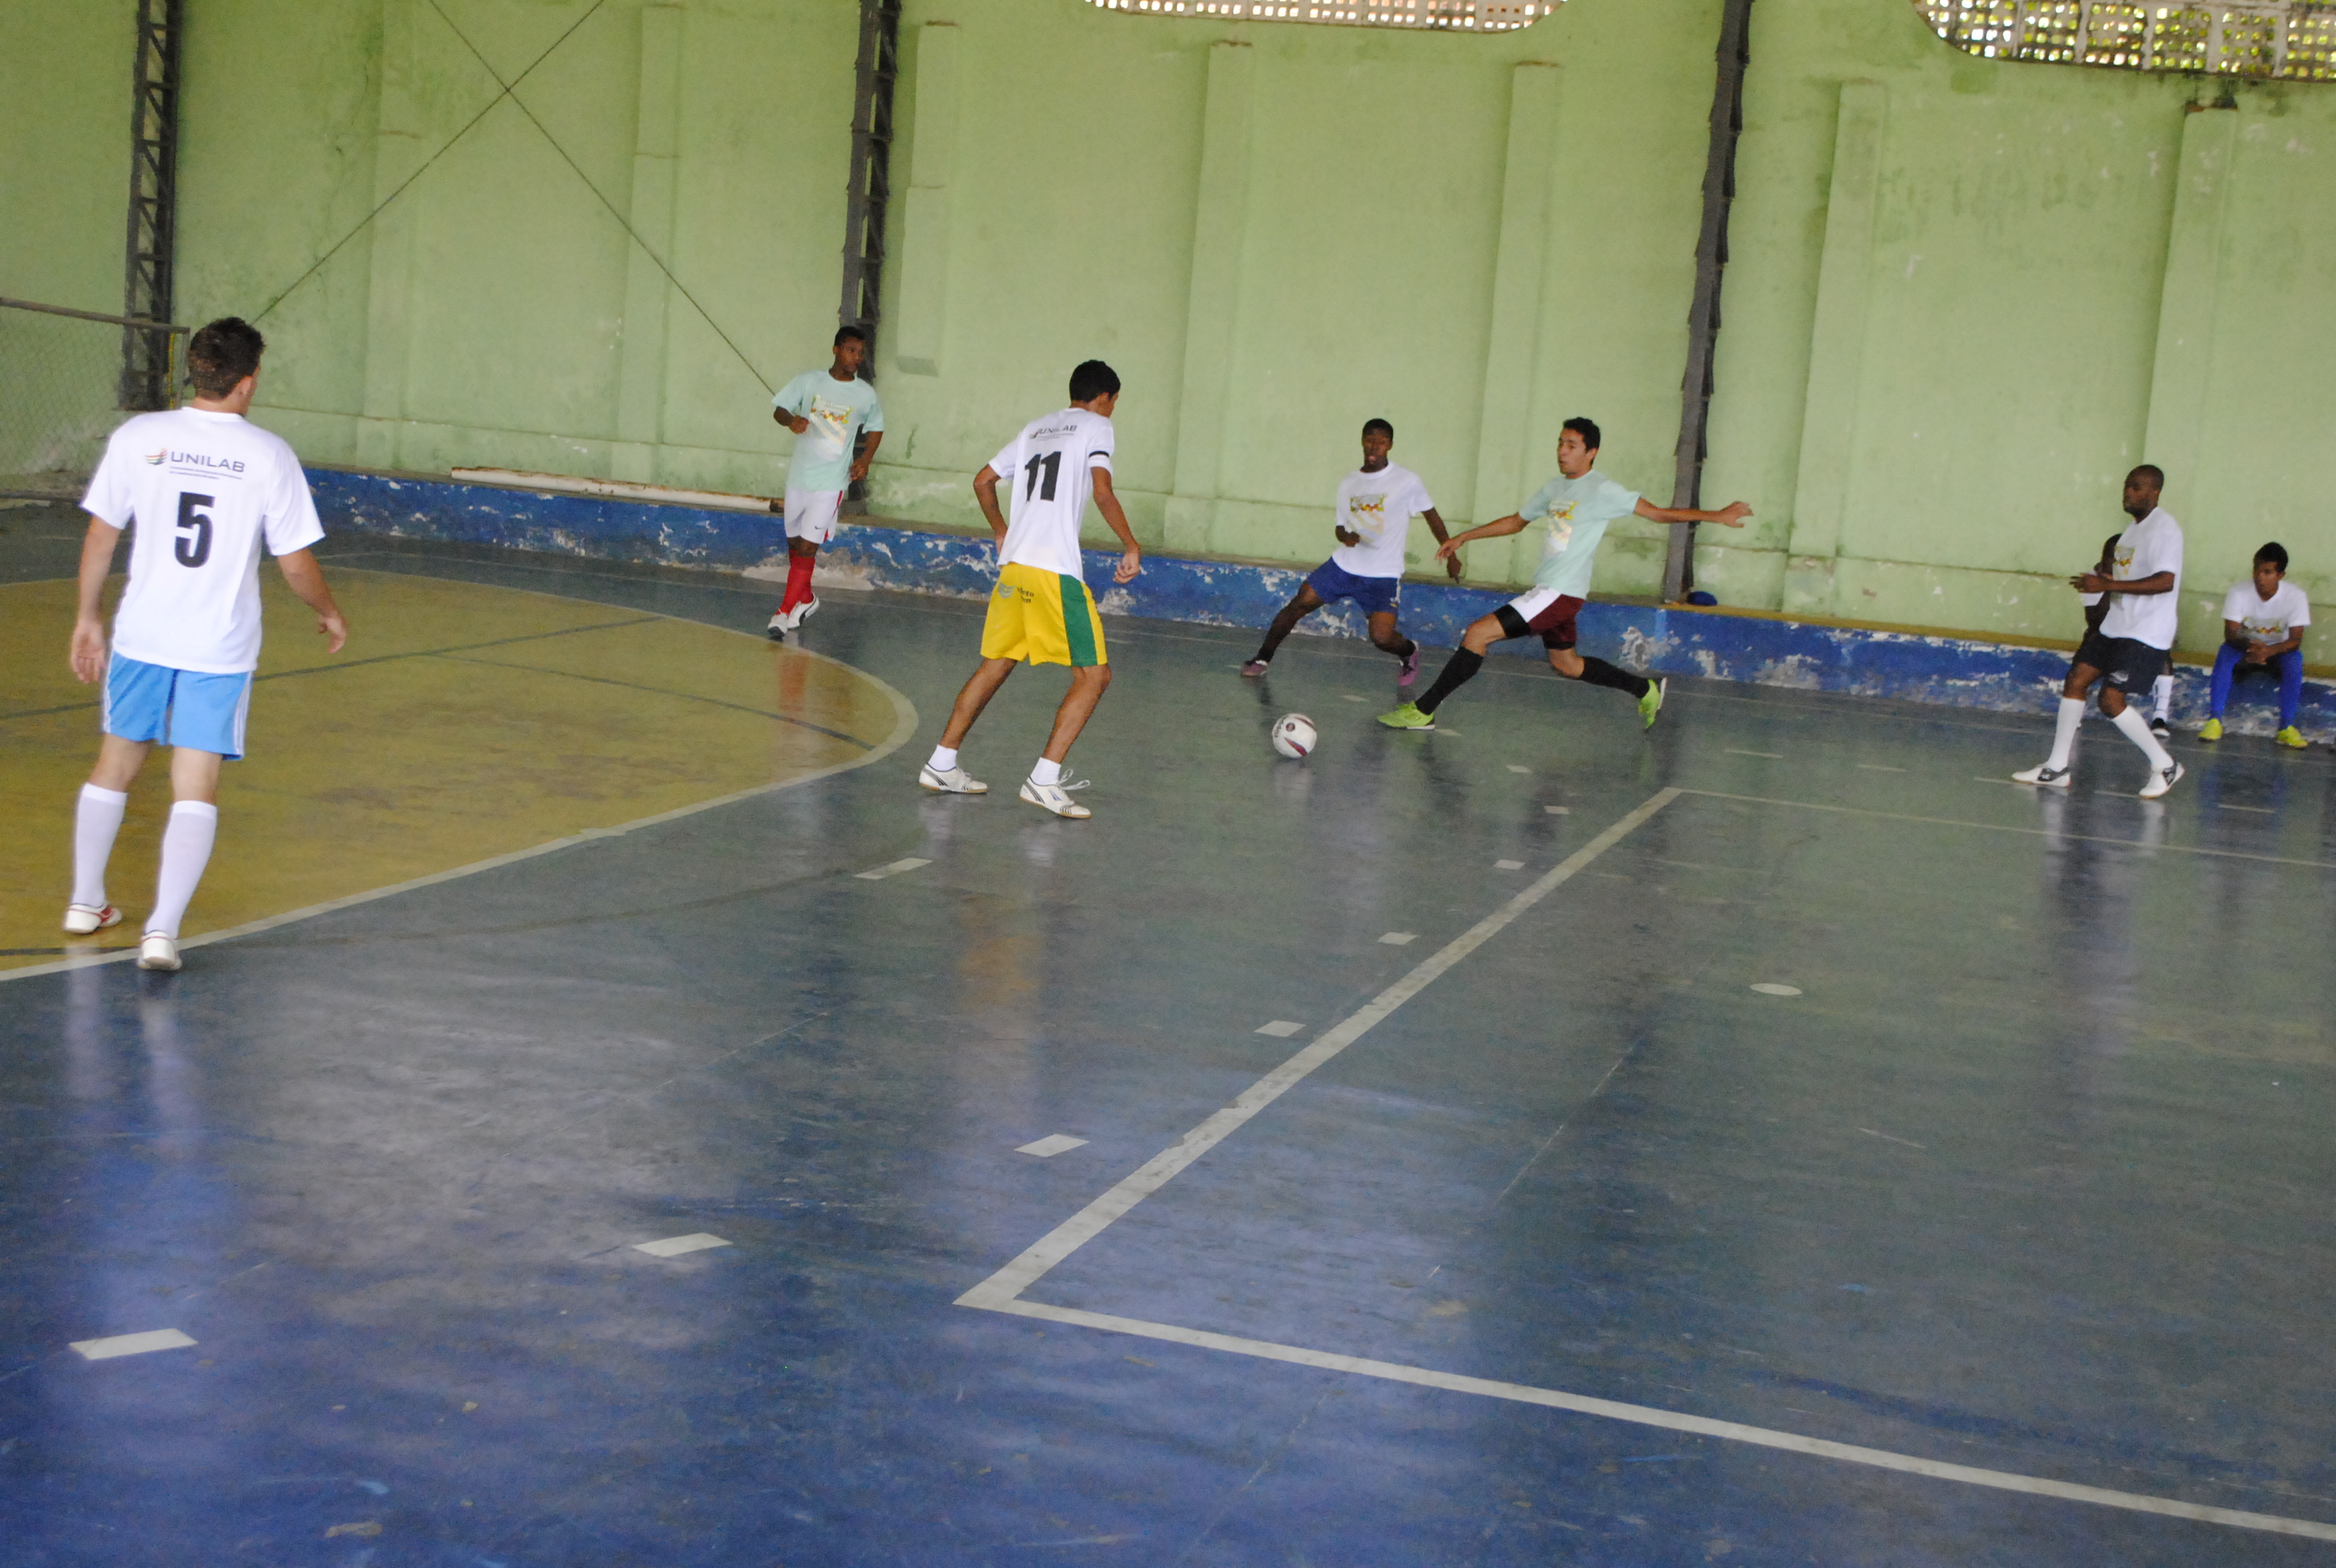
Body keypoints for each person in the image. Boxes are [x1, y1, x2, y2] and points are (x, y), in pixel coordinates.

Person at [64, 316, 348, 971]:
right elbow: (295, 563)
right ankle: (161, 932)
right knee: (195, 784)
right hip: (217, 648)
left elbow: (101, 536)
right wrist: (329, 611)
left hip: (143, 635)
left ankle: (84, 901)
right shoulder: (269, 455)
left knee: (114, 765)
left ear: (195, 372)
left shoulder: (140, 436)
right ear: (247, 382)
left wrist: (87, 617)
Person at [1376, 417, 1748, 732]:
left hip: (1560, 592)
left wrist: (1717, 516)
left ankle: (1423, 710)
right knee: (1567, 665)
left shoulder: (1603, 490)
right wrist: (1464, 537)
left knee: (1478, 633)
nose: (1562, 451)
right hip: (1553, 591)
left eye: (1572, 445)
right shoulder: (1554, 488)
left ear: (1591, 452)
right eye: (1560, 443)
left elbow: (1657, 514)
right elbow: (1516, 522)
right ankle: (1645, 690)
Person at [918, 360, 1141, 819]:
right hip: (1052, 572)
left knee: (996, 664)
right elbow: (1102, 491)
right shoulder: (1097, 427)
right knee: (1094, 677)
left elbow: (982, 480)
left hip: (1015, 568)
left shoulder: (1036, 428)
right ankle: (1044, 779)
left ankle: (941, 763)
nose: (1113, 410)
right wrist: (1131, 544)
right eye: (1114, 402)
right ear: (1104, 398)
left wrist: (1002, 529)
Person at [1238, 419, 1457, 684]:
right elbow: (1340, 527)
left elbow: (1432, 516)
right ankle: (1262, 659)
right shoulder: (1349, 483)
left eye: (1381, 442)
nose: (1374, 446)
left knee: (1382, 638)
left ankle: (1409, 651)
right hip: (1344, 566)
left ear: (1390, 445)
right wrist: (1345, 537)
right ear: (1363, 441)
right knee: (1299, 604)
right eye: (1370, 440)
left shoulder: (1406, 481)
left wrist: (1451, 554)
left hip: (1383, 574)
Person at [2013, 465, 2184, 797]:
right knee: (2076, 679)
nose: (2128, 493)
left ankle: (2165, 765)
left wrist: (2108, 584)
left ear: (2155, 492)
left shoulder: (2165, 529)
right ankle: (2057, 768)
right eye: (2127, 486)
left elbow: (2166, 581)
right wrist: (2101, 583)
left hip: (2145, 632)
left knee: (2110, 700)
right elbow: (2125, 580)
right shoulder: (2131, 532)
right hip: (2117, 626)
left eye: (2137, 487)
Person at [767, 325, 883, 640]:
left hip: (831, 482)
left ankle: (782, 613)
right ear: (836, 350)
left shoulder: (865, 394)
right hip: (799, 477)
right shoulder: (809, 381)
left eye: (860, 353)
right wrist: (791, 420)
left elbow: (876, 428)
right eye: (851, 351)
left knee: (808, 547)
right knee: (795, 545)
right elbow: (779, 410)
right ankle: (805, 599)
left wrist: (865, 460)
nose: (856, 358)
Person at [2199, 542, 2309, 748]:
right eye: (2256, 569)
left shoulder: (2295, 597)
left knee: (2295, 661)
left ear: (2280, 575)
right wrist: (2252, 647)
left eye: (2267, 572)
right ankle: (2214, 720)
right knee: (2225, 654)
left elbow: (2295, 641)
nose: (2259, 576)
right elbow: (2230, 634)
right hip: (2245, 647)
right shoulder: (2238, 592)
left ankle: (2286, 727)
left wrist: (2268, 651)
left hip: (2278, 650)